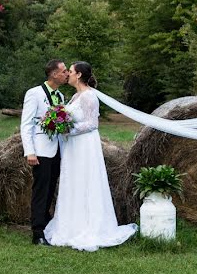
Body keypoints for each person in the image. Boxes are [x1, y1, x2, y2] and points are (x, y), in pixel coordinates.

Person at [44, 61, 138, 251]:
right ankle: (71, 225)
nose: (67, 74)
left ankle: (90, 226)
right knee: (74, 182)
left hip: (85, 146)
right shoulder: (75, 97)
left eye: (70, 71)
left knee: (86, 181)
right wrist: (58, 124)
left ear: (78, 75)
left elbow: (92, 124)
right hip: (73, 147)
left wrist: (67, 130)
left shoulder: (89, 96)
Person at [20, 59, 69, 245]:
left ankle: (46, 222)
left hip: (57, 150)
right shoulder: (34, 93)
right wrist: (29, 152)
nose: (66, 74)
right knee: (40, 190)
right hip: (40, 150)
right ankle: (37, 233)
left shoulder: (61, 96)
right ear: (54, 74)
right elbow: (26, 124)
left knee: (50, 189)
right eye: (64, 71)